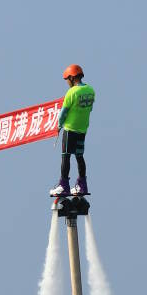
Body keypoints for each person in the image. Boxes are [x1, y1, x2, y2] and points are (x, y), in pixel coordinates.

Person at [54, 63, 96, 197]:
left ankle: (63, 185)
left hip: (70, 129)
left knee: (65, 156)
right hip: (82, 130)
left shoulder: (71, 92)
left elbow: (63, 113)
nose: (67, 83)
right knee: (79, 157)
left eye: (67, 80)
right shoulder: (91, 90)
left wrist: (59, 125)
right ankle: (82, 185)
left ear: (72, 78)